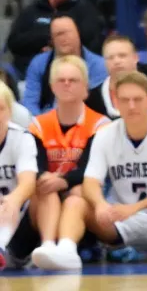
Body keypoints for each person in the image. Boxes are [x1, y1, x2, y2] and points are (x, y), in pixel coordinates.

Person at [67, 72, 147, 270]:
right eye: (125, 100)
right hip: (118, 220)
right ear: (116, 103)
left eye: (137, 99)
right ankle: (65, 251)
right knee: (76, 199)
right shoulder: (104, 134)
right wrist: (100, 205)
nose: (132, 106)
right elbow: (91, 181)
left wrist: (137, 207)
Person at [28, 56, 109, 272]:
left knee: (81, 191)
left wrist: (62, 181)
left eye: (73, 80)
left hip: (80, 195)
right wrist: (45, 178)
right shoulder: (38, 124)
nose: (66, 84)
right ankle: (47, 246)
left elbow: (91, 168)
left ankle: (67, 250)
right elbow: (34, 164)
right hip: (47, 198)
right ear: (52, 86)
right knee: (42, 188)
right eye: (61, 80)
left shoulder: (100, 124)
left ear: (85, 86)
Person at [86, 34, 147, 122]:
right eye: (110, 57)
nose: (116, 61)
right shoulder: (94, 99)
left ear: (135, 58)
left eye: (122, 55)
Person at [0, 82, 37, 266]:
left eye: (0, 109)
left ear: (10, 112)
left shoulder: (22, 137)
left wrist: (13, 200)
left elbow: (28, 182)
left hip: (19, 216)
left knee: (41, 192)